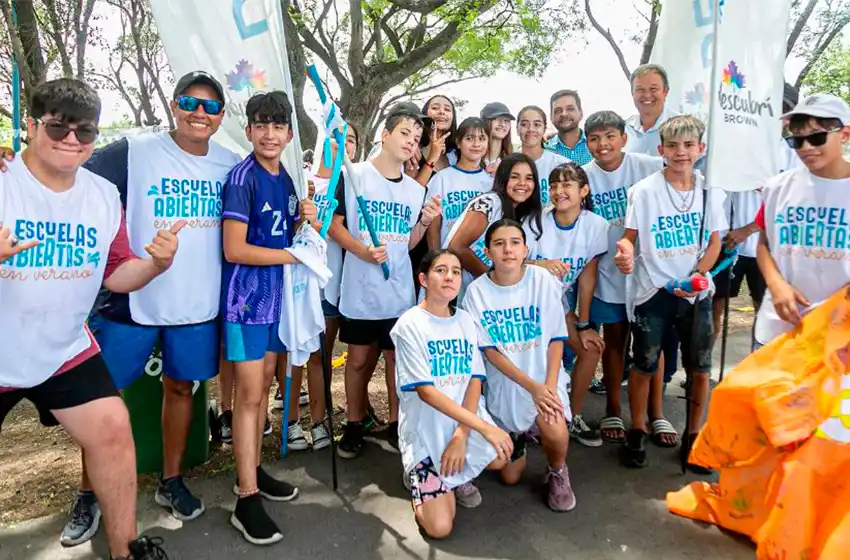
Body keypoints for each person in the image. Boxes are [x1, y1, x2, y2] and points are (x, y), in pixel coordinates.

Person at [52, 71, 241, 543]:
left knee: (182, 391)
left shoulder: (231, 164)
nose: (199, 112)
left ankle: (171, 482)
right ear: (174, 106)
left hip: (196, 305)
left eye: (210, 106)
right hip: (129, 299)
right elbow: (70, 174)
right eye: (189, 102)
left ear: (221, 117)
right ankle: (89, 494)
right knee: (101, 402)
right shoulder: (134, 150)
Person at [0, 78, 171, 560]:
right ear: (32, 126)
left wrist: (157, 264)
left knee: (114, 429)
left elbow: (117, 274)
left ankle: (126, 550)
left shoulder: (100, 194)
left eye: (85, 132)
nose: (72, 141)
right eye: (58, 128)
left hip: (62, 350)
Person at [220, 91, 309, 545]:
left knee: (268, 384)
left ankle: (254, 469)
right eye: (261, 124)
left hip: (280, 299)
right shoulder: (241, 177)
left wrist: (303, 222)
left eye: (278, 126)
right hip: (246, 302)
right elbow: (234, 249)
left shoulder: (286, 177)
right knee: (250, 396)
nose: (269, 133)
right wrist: (289, 254)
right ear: (249, 129)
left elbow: (285, 228)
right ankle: (245, 496)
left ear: (289, 133)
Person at [614, 115, 726, 472]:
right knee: (644, 364)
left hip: (696, 294)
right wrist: (625, 255)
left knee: (700, 368)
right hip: (654, 291)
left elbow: (714, 241)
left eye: (689, 145)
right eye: (673, 146)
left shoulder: (712, 191)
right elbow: (628, 238)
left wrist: (697, 274)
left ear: (701, 149)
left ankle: (694, 437)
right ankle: (636, 429)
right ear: (661, 150)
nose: (681, 152)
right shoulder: (643, 191)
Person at [330, 102, 441, 459]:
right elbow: (334, 225)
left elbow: (406, 243)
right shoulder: (354, 175)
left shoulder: (413, 190)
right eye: (405, 133)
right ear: (386, 134)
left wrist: (424, 222)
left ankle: (397, 424)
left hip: (398, 293)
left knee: (396, 360)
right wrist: (360, 251)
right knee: (359, 360)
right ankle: (353, 423)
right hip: (360, 291)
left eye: (418, 137)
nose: (411, 142)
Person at [392, 249, 513, 538]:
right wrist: (484, 428)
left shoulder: (465, 321)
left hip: (462, 424)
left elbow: (474, 380)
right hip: (426, 431)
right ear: (423, 278)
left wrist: (461, 435)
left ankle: (456, 475)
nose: (450, 277)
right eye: (441, 270)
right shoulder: (410, 325)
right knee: (440, 527)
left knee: (503, 456)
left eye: (456, 271)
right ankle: (422, 476)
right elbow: (427, 393)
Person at [462, 219, 576, 512]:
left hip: (544, 377)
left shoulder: (543, 281)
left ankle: (558, 471)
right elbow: (491, 352)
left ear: (525, 249)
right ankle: (521, 436)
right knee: (510, 477)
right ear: (488, 251)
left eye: (514, 242)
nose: (508, 250)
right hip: (509, 384)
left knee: (554, 424)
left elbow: (555, 339)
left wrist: (548, 386)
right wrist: (532, 388)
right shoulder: (476, 292)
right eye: (499, 244)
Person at [580, 110, 664, 444]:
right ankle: (613, 407)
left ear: (624, 139)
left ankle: (655, 414)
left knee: (652, 343)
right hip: (607, 272)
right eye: (595, 138)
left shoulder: (648, 166)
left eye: (610, 136)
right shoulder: (582, 176)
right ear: (587, 144)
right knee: (614, 343)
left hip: (650, 270)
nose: (603, 145)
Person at [754, 93, 850, 349]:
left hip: (840, 334)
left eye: (817, 137)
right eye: (797, 140)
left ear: (845, 134)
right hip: (780, 328)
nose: (806, 147)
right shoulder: (776, 188)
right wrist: (776, 285)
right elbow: (763, 243)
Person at [285, 125, 360, 452]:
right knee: (295, 355)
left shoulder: (355, 184)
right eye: (333, 137)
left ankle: (320, 418)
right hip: (301, 281)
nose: (340, 144)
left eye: (349, 140)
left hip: (335, 281)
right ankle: (290, 422)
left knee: (320, 353)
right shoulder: (304, 181)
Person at [526, 163, 609, 447]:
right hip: (525, 303)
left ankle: (570, 415)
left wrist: (584, 324)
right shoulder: (536, 221)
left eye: (567, 185)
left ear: (583, 190)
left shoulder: (595, 225)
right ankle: (524, 422)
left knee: (590, 349)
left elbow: (587, 277)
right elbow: (513, 262)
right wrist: (541, 264)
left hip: (556, 305)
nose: (559, 191)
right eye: (554, 185)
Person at [446, 153, 544, 302]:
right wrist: (491, 279)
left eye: (529, 178)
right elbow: (456, 247)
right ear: (503, 180)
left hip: (486, 297)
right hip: (455, 294)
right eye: (514, 177)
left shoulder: (524, 215)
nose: (522, 183)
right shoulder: (488, 203)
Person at [426, 117, 492, 252]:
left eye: (482, 138)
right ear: (458, 142)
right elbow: (433, 226)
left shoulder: (491, 183)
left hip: (480, 261)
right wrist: (437, 258)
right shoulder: (442, 179)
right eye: (469, 138)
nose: (476, 144)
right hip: (449, 260)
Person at [517, 105, 571, 207]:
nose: (531, 129)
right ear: (517, 129)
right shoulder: (508, 165)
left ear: (544, 129)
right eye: (524, 124)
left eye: (537, 124)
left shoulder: (561, 164)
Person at [624, 64, 677, 155]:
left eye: (653, 89)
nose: (647, 95)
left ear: (665, 91)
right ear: (632, 93)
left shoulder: (685, 128)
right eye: (640, 89)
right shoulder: (623, 129)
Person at [545, 90, 592, 166]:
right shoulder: (545, 149)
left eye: (570, 109)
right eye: (558, 110)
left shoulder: (595, 145)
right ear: (551, 117)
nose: (564, 114)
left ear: (581, 113)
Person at [480, 102, 515, 174]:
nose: (502, 124)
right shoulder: (472, 157)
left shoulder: (512, 161)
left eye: (506, 120)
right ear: (485, 121)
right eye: (497, 119)